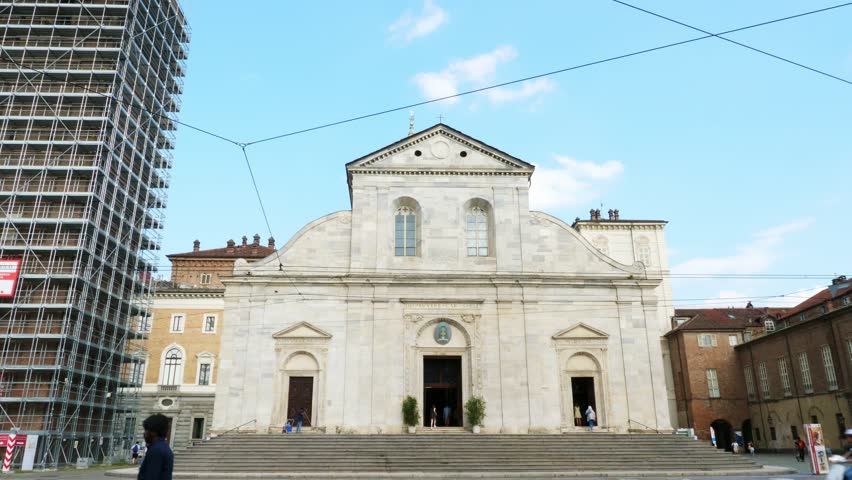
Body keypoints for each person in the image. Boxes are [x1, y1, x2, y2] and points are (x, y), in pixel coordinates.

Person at [137, 414, 173, 480]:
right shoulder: (163, 447)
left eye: (146, 430)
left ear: (153, 432)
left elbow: (150, 477)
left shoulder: (156, 450)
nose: (144, 433)